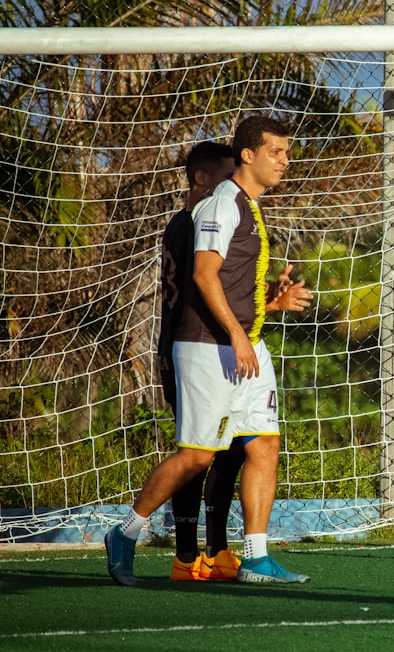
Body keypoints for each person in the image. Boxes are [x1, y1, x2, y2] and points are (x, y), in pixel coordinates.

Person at [105, 116, 313, 585]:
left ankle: (256, 558)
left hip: (247, 346)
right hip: (208, 349)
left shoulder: (251, 206)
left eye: (286, 151)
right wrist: (238, 336)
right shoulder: (222, 204)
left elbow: (236, 285)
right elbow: (203, 275)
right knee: (198, 456)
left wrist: (270, 303)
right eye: (276, 151)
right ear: (248, 155)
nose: (285, 160)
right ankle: (126, 532)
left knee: (265, 443)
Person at [159, 141, 244, 581]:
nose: (235, 186)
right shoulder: (189, 223)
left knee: (233, 445)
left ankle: (218, 548)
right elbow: (201, 290)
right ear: (201, 179)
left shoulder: (215, 218)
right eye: (227, 176)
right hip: (189, 348)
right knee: (197, 452)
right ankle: (186, 554)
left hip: (221, 347)